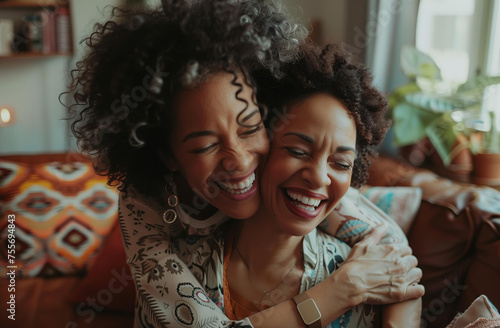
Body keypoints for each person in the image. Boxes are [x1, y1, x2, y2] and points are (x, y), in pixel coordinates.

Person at [65, 0, 424, 327]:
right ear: (168, 155)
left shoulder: (316, 188)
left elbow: (393, 251)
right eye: (205, 145)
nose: (238, 162)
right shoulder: (144, 206)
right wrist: (341, 290)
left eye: (251, 128)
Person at [224, 42, 422, 327]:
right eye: (297, 151)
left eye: (341, 164)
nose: (318, 177)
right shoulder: (189, 255)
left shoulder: (371, 276)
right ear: (258, 143)